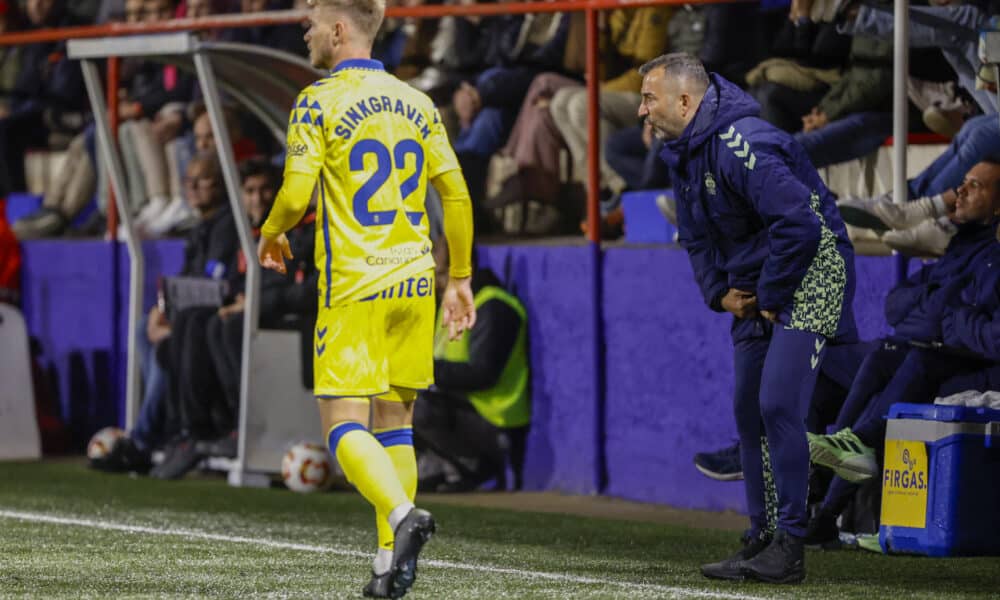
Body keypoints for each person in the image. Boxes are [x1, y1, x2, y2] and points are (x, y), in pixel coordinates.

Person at [255, 1, 476, 597]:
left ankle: (404, 518)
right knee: (396, 425)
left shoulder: (317, 101)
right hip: (414, 282)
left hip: (354, 285)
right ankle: (387, 565)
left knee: (342, 425)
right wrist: (459, 277)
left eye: (310, 20)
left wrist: (273, 230)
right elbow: (454, 195)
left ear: (338, 29)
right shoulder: (418, 102)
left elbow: (297, 187)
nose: (303, 29)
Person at [639, 52, 857, 584]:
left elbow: (802, 227)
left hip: (813, 266)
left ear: (685, 102)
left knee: (777, 402)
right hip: (763, 280)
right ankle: (760, 537)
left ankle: (791, 544)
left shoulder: (744, 144)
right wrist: (719, 295)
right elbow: (694, 235)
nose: (642, 110)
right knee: (748, 410)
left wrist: (770, 294)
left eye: (650, 98)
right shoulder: (682, 151)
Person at [414, 241, 530, 493]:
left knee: (416, 403)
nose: (437, 282)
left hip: (495, 421)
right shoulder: (449, 307)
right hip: (466, 409)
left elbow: (483, 373)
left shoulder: (493, 306)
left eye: (442, 274)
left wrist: (424, 369)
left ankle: (473, 466)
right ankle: (436, 467)